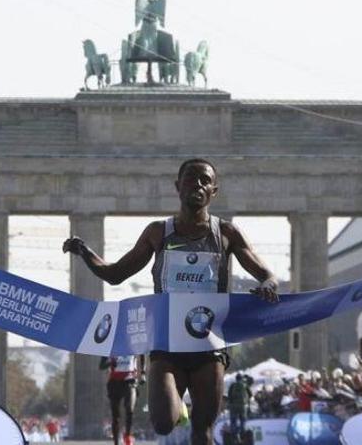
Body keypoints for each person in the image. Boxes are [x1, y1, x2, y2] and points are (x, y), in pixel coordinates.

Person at [63, 158, 279, 445]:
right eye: (191, 178)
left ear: (214, 191)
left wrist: (267, 285)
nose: (198, 185)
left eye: (205, 180)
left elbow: (267, 274)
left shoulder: (226, 233)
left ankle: (192, 414)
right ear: (178, 186)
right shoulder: (158, 232)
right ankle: (180, 408)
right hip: (167, 344)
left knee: (202, 432)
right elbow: (115, 274)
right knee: (163, 423)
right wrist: (85, 252)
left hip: (209, 345)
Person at [100, 355, 145, 445]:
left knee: (130, 410)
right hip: (114, 383)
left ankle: (127, 436)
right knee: (116, 416)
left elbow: (142, 354)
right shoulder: (111, 346)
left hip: (130, 381)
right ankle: (116, 442)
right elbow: (101, 366)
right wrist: (111, 363)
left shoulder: (133, 344)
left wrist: (143, 373)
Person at [227, 373, 251, 439]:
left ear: (236, 378)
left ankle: (234, 437)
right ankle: (242, 435)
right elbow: (250, 394)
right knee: (243, 420)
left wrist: (230, 403)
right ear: (241, 378)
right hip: (243, 406)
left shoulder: (232, 385)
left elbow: (229, 395)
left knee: (233, 421)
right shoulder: (245, 385)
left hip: (233, 406)